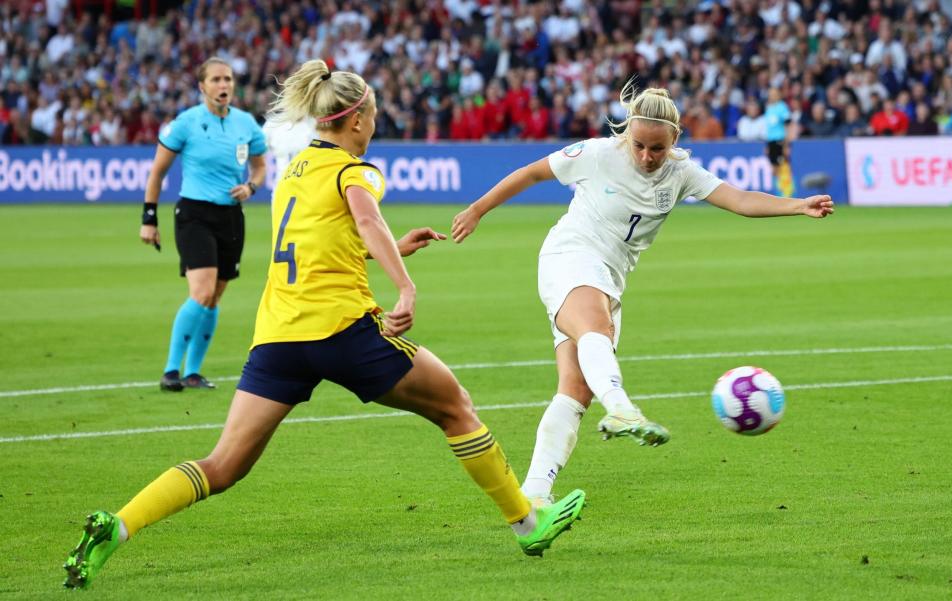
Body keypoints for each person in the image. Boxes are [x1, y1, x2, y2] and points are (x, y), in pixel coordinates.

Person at [64, 59, 586, 590]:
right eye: (375, 116)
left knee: (223, 465)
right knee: (456, 408)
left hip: (279, 337)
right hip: (343, 331)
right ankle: (526, 523)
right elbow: (365, 217)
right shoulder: (352, 170)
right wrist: (404, 284)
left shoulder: (292, 174)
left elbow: (324, 241)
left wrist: (389, 248)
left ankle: (121, 526)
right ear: (356, 119)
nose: (375, 126)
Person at [451, 86, 833, 506]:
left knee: (575, 390)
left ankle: (534, 499)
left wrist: (798, 205)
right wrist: (477, 209)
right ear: (625, 134)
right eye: (639, 145)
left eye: (657, 148)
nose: (647, 156)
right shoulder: (597, 154)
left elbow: (739, 199)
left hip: (610, 278)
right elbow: (532, 173)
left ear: (674, 142)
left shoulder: (681, 172)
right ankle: (623, 408)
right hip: (570, 257)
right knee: (595, 327)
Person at [139, 57, 267, 392]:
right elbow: (157, 172)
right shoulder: (186, 123)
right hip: (194, 214)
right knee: (202, 290)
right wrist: (148, 218)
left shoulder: (246, 124)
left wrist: (251, 186)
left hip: (230, 217)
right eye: (215, 80)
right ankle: (170, 370)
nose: (223, 85)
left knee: (215, 296)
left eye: (227, 79)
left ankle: (193, 372)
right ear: (202, 87)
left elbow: (259, 166)